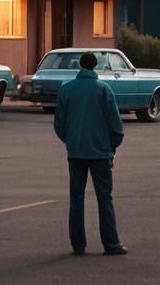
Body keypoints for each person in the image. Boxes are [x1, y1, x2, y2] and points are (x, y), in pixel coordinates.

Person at [53, 51, 128, 255]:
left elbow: (59, 124)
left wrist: (71, 141)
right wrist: (112, 147)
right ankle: (111, 243)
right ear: (96, 66)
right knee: (105, 198)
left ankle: (78, 244)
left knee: (76, 198)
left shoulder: (66, 90)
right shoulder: (104, 90)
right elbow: (115, 125)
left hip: (76, 152)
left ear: (81, 66)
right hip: (101, 153)